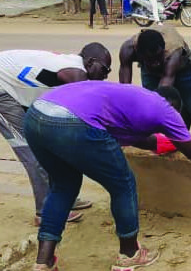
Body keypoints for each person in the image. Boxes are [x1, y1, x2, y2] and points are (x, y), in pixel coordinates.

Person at [23, 82, 191, 271]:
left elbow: (141, 139)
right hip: (74, 122)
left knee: (63, 186)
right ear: (175, 109)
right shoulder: (166, 111)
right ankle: (129, 254)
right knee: (122, 184)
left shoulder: (133, 99)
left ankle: (44, 263)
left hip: (37, 115)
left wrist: (169, 142)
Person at [0, 44, 111, 226]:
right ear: (90, 62)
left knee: (50, 144)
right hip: (2, 89)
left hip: (15, 89)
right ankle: (45, 212)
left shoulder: (71, 66)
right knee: (31, 151)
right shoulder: (77, 75)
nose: (106, 76)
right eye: (105, 69)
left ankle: (62, 198)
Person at [119, 26, 191, 141]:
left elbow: (163, 96)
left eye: (158, 57)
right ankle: (157, 140)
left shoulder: (174, 52)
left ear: (163, 50)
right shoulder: (127, 50)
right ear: (139, 53)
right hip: (149, 71)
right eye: (151, 59)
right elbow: (124, 90)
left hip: (182, 68)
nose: (156, 63)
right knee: (149, 105)